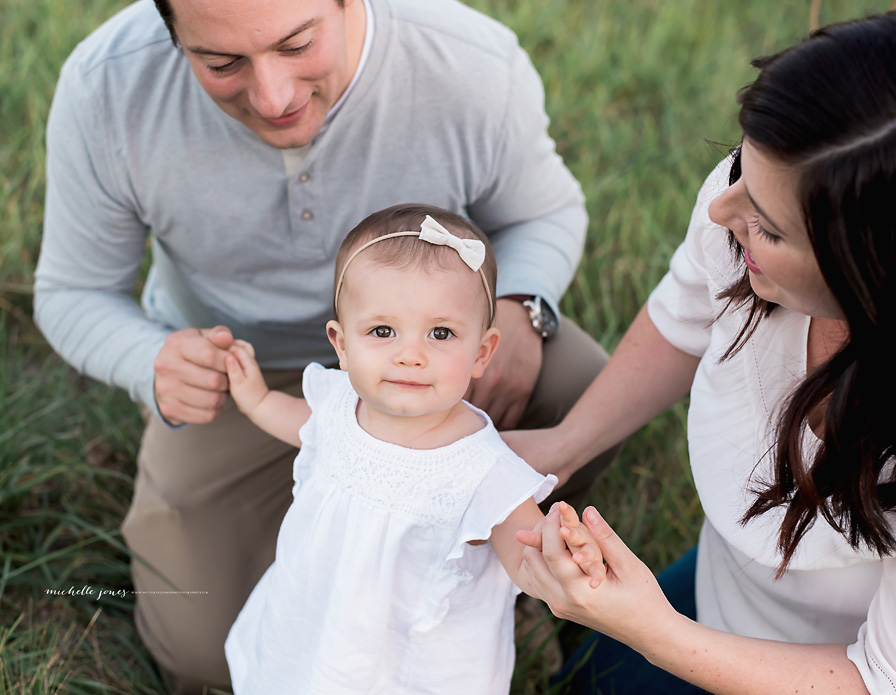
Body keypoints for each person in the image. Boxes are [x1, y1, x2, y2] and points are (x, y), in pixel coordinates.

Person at [34, 0, 617, 690]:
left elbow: (544, 211)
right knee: (199, 646)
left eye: (298, 43)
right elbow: (72, 291)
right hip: (240, 373)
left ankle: (478, 582)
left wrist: (523, 303)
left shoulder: (469, 60)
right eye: (221, 63)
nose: (273, 96)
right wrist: (152, 361)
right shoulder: (107, 86)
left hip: (440, 361)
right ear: (169, 30)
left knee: (586, 387)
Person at [509, 6, 896, 694]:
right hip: (727, 587)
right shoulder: (757, 196)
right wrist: (564, 443)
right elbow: (685, 316)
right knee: (581, 681)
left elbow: (892, 677)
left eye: (768, 227)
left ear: (876, 277)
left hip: (831, 673)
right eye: (741, 166)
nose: (720, 207)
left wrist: (656, 631)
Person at [220, 204, 604, 694]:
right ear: (341, 344)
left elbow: (524, 550)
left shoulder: (482, 467)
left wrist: (560, 557)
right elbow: (304, 423)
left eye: (440, 333)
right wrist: (256, 401)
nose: (410, 354)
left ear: (482, 353)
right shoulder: (339, 403)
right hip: (317, 613)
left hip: (413, 659)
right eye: (383, 331)